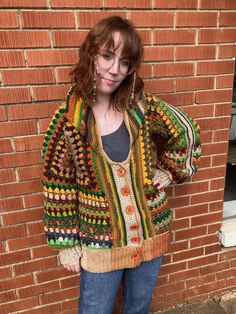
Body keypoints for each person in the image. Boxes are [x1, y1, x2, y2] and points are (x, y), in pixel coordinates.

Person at [41, 16, 201, 314]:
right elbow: (57, 185)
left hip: (150, 234)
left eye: (125, 62)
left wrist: (169, 171)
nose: (115, 70)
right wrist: (66, 245)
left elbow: (186, 132)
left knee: (138, 308)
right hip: (100, 242)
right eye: (107, 56)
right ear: (91, 55)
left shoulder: (141, 106)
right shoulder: (67, 122)